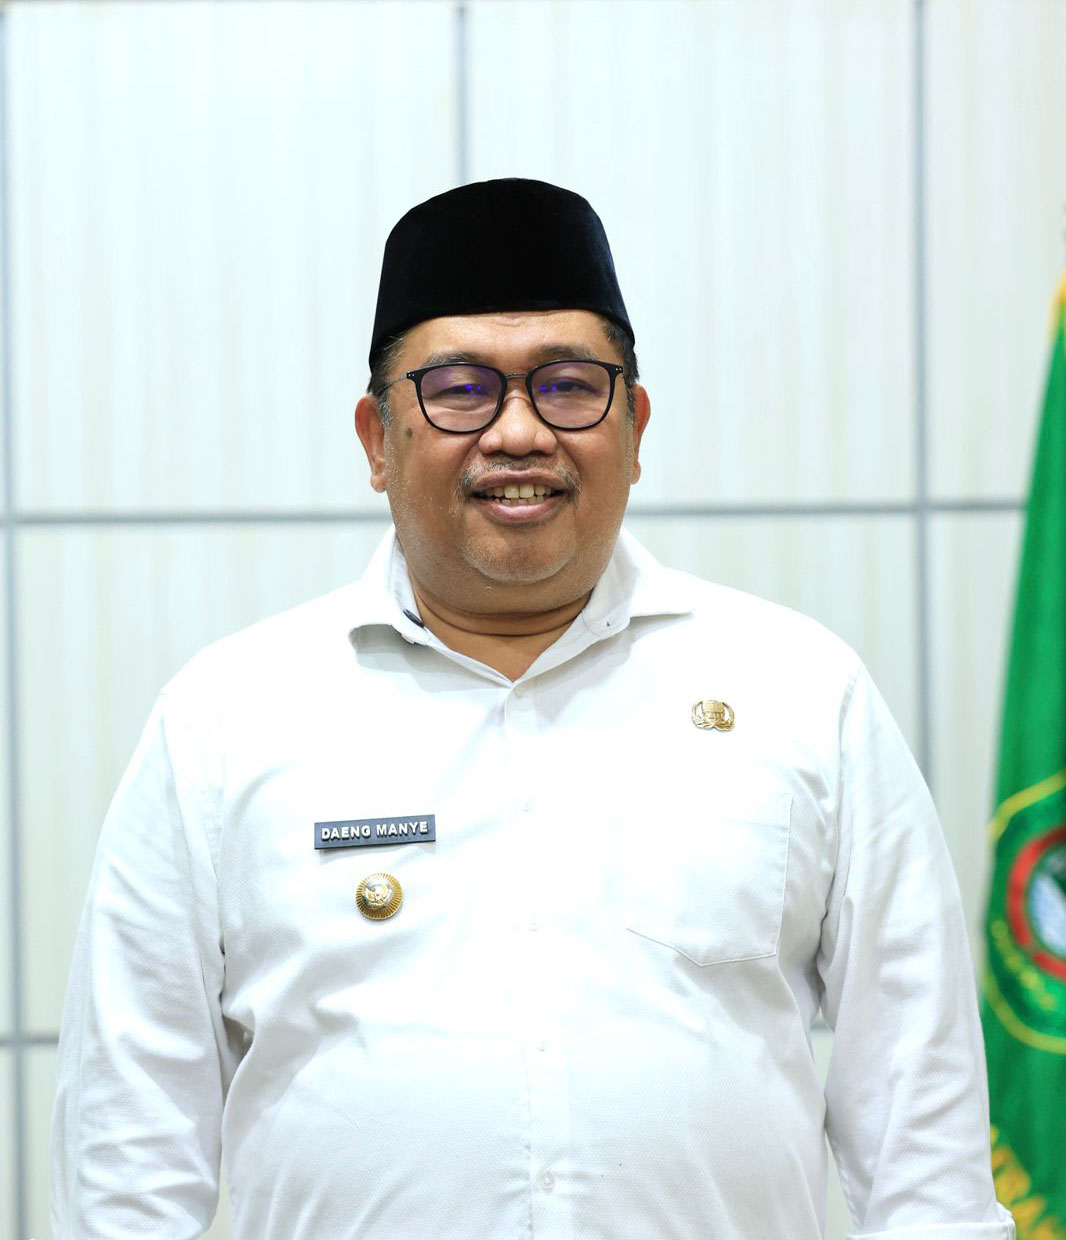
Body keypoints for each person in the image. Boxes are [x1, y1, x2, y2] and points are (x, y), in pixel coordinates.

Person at [52, 178, 1014, 1240]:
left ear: (633, 427)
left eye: (568, 386)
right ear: (378, 439)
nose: (518, 433)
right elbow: (130, 1151)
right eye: (460, 390)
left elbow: (922, 1136)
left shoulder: (799, 691)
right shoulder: (227, 721)